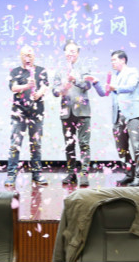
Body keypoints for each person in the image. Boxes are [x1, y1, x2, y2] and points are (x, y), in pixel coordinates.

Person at [89, 50, 139, 187]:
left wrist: (114, 87)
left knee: (137, 147)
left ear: (123, 60)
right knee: (121, 148)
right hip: (118, 116)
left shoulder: (132, 71)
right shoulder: (114, 76)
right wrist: (96, 82)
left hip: (133, 114)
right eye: (111, 60)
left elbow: (131, 87)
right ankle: (129, 173)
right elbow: (105, 93)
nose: (112, 63)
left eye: (114, 60)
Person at [5, 45, 49, 187]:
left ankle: (37, 174)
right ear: (20, 57)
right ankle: (11, 175)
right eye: (24, 55)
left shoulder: (41, 70)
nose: (27, 58)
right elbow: (13, 88)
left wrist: (39, 93)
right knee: (15, 145)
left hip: (36, 113)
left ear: (34, 56)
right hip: (19, 113)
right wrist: (27, 86)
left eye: (30, 55)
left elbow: (45, 86)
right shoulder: (15, 71)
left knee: (36, 145)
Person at [52, 41, 93, 186]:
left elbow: (88, 85)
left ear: (78, 53)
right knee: (69, 145)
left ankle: (84, 174)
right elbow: (54, 91)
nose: (70, 53)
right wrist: (61, 89)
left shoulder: (84, 67)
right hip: (66, 112)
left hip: (82, 111)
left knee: (84, 144)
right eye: (68, 51)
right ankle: (71, 174)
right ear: (64, 53)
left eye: (73, 51)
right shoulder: (59, 70)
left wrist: (75, 80)